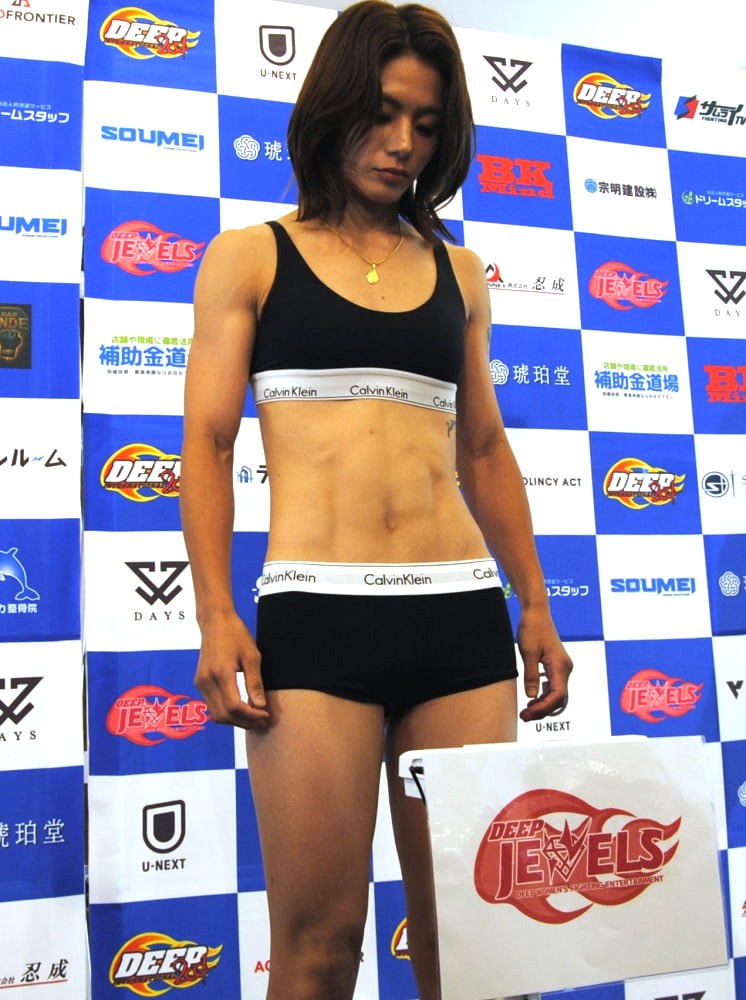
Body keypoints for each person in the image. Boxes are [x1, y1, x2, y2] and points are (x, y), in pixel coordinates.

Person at [180, 2, 572, 998]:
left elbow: (482, 447)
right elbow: (209, 445)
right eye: (384, 113)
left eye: (427, 124)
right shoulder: (249, 256)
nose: (403, 143)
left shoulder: (460, 272)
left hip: (459, 623)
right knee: (318, 948)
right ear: (335, 105)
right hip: (317, 621)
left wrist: (533, 600)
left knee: (476, 953)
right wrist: (216, 613)